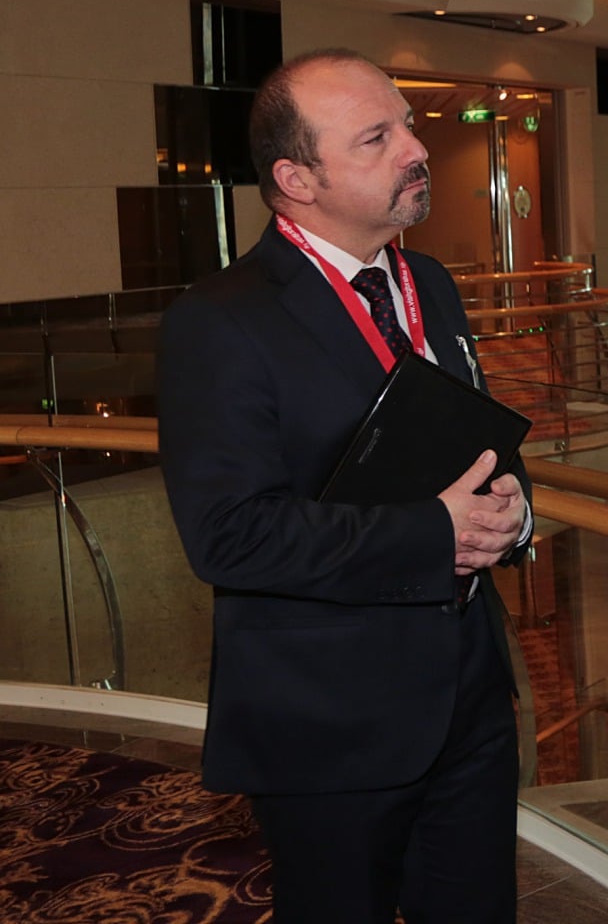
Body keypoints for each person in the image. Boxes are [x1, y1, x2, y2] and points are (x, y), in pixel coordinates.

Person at [158, 49, 533, 924]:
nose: (416, 148)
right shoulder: (219, 321)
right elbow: (229, 535)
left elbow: (470, 444)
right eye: (376, 138)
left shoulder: (427, 283)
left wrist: (511, 513)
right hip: (328, 717)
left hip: (471, 697)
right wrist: (435, 534)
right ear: (296, 179)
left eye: (406, 124)